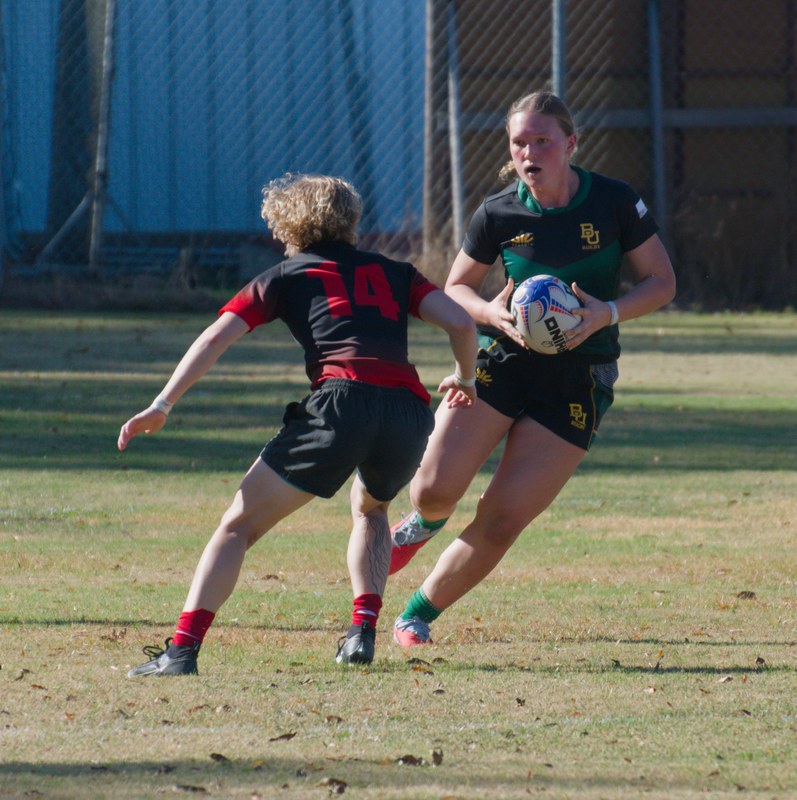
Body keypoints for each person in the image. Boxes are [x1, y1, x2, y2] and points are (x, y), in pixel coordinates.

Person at [117, 173, 477, 674]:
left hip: (341, 402)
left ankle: (181, 652)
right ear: (350, 219)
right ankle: (361, 634)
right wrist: (466, 378)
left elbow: (215, 337)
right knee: (372, 509)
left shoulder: (287, 275)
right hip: (407, 410)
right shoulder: (395, 270)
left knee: (237, 526)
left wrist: (163, 403)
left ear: (287, 223)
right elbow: (462, 322)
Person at [389, 90, 676, 646]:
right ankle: (422, 524)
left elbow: (662, 282)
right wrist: (491, 312)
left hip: (580, 376)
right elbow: (457, 288)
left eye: (542, 140)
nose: (529, 151)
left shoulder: (614, 201)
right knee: (431, 489)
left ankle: (416, 615)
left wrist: (605, 313)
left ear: (570, 144)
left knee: (502, 517)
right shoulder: (499, 211)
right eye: (519, 142)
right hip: (506, 361)